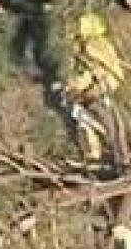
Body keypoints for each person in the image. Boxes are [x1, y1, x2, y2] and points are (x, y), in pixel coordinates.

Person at [53, 13, 125, 163]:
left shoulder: (90, 46)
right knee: (82, 112)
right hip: (110, 82)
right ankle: (97, 151)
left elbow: (94, 70)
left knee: (78, 110)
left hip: (102, 84)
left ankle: (100, 147)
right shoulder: (103, 42)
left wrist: (74, 87)